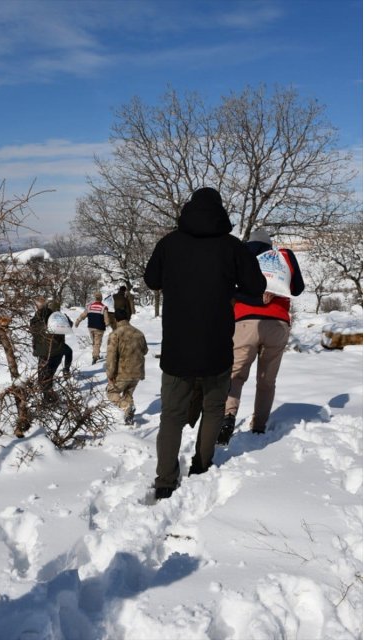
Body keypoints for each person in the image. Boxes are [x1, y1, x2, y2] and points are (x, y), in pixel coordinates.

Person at [143, 187, 266, 501]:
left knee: (171, 414)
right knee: (213, 409)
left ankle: (165, 480)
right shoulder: (231, 246)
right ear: (220, 211)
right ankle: (201, 465)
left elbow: (151, 280)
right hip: (216, 344)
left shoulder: (169, 243)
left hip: (177, 346)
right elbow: (256, 286)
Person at [220, 228, 307, 443]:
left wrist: (253, 300)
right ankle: (259, 426)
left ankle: (227, 417)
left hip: (245, 322)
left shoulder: (240, 257)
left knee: (236, 375)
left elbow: (227, 289)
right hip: (278, 324)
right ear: (269, 245)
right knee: (267, 380)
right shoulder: (282, 258)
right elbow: (297, 289)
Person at [104, 308, 148, 425]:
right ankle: (129, 418)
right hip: (138, 372)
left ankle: (126, 406)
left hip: (123, 372)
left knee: (111, 392)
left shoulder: (115, 334)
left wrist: (110, 374)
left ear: (116, 319)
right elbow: (145, 350)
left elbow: (111, 356)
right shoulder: (139, 333)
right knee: (128, 394)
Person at [30, 298, 72, 404]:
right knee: (50, 374)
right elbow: (69, 325)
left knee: (44, 377)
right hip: (58, 350)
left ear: (37, 306)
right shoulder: (57, 316)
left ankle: (47, 398)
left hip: (44, 352)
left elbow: (33, 332)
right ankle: (66, 370)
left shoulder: (34, 320)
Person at [74, 292, 109, 364]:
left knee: (94, 342)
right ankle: (95, 356)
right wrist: (107, 324)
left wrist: (78, 321)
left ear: (95, 298)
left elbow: (83, 315)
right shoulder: (103, 307)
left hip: (91, 327)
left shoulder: (89, 306)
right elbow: (106, 319)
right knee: (97, 343)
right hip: (99, 328)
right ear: (101, 298)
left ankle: (96, 354)